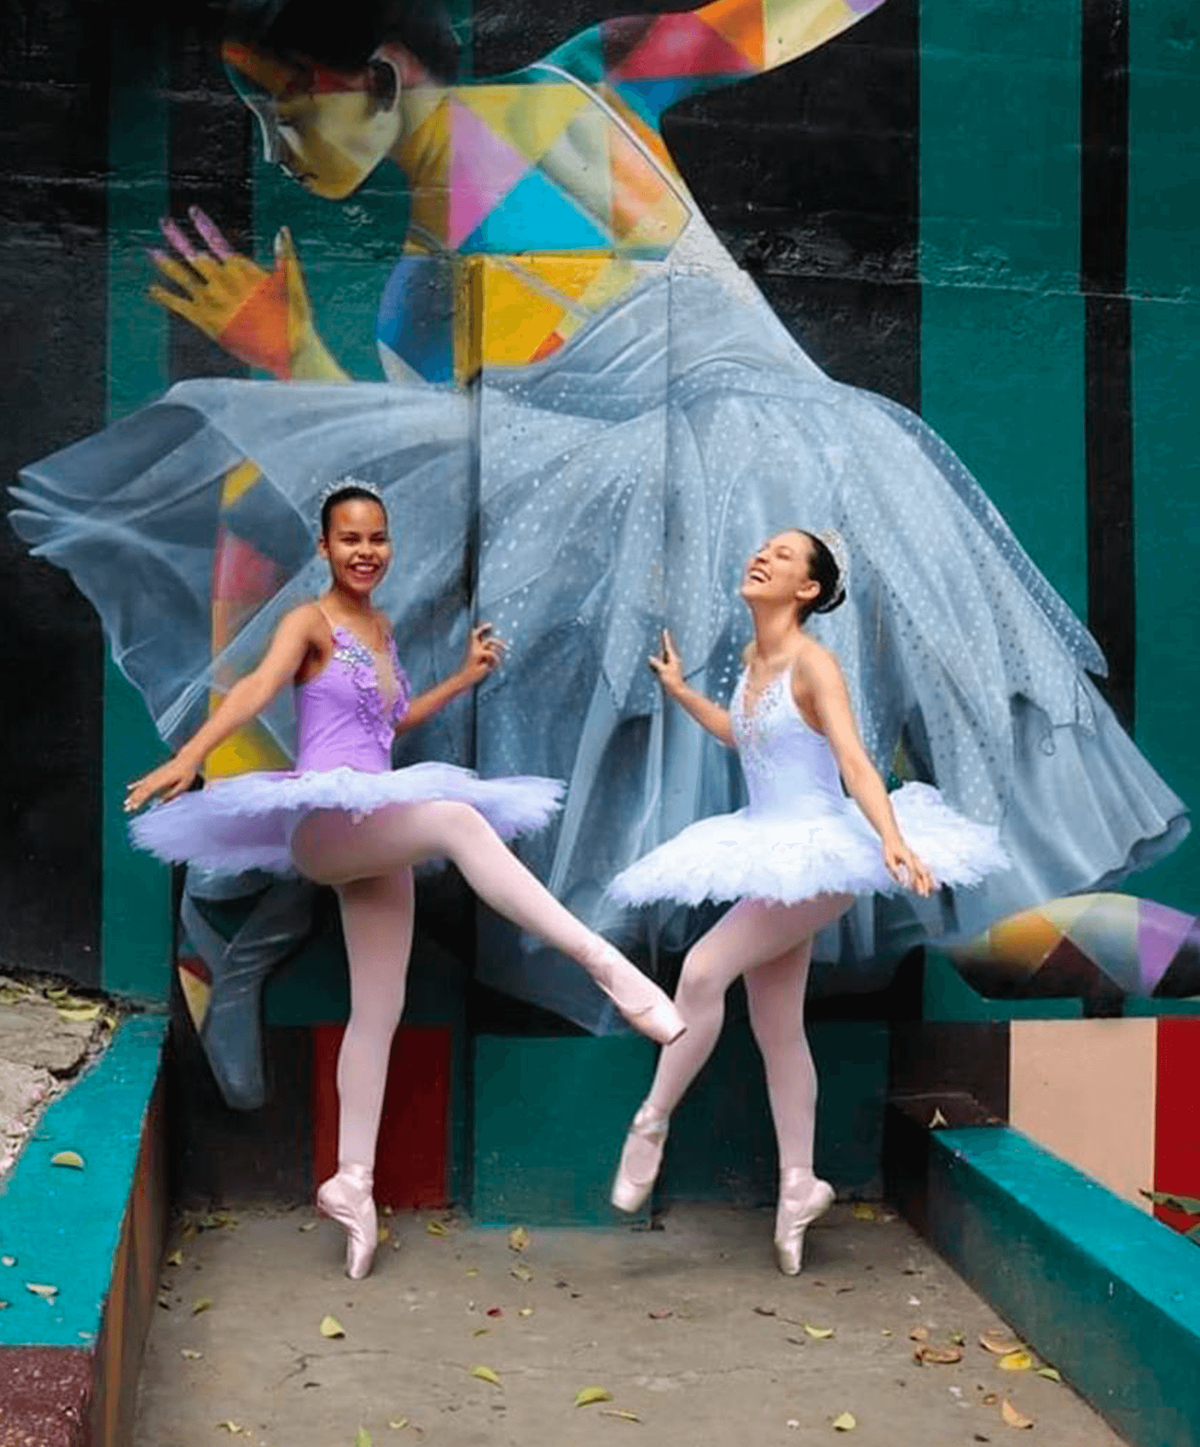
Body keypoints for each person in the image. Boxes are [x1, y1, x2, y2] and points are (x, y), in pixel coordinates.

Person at [12, 0, 1186, 1032]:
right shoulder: (428, 291)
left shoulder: (564, 119)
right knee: (957, 895)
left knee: (948, 871)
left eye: (284, 113)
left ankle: (239, 895)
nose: (276, 155)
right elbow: (404, 529)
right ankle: (250, 887)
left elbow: (786, 15)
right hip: (765, 506)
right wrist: (302, 354)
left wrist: (296, 360)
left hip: (745, 498)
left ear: (378, 75)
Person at [124, 480, 685, 1278]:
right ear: (324, 548)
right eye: (349, 538)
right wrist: (188, 758)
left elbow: (388, 723)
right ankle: (605, 964)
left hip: (376, 827)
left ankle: (352, 1182)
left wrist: (463, 677)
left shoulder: (380, 628)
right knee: (458, 820)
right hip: (325, 825)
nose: (365, 551)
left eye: (377, 538)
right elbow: (254, 688)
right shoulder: (306, 622)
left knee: (378, 1010)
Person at [607, 529, 1007, 1274]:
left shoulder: (815, 662)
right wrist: (685, 691)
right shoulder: (755, 661)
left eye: (786, 555)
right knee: (776, 1025)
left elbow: (853, 757)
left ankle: (652, 1120)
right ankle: (799, 1183)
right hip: (767, 847)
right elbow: (748, 739)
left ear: (810, 590)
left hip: (820, 855)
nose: (764, 554)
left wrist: (889, 835)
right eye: (764, 547)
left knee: (700, 970)